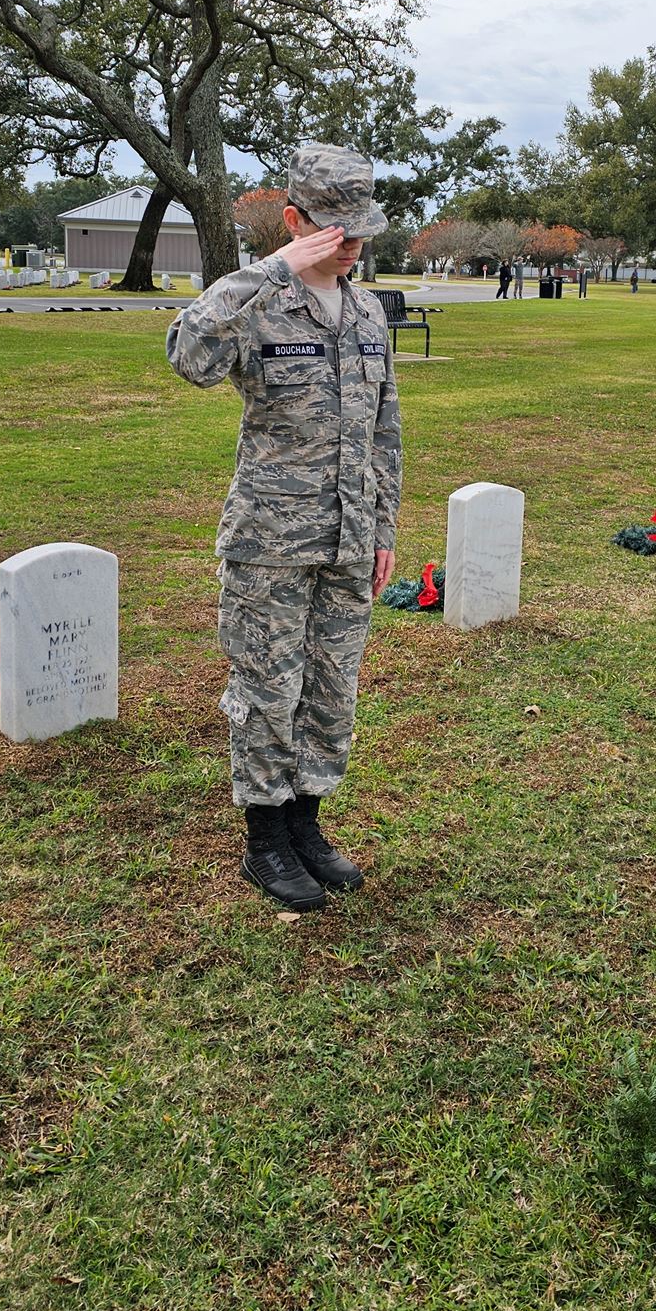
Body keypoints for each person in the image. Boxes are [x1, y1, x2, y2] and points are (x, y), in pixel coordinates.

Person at [166, 146, 400, 913]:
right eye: (337, 228)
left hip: (347, 535)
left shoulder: (367, 312)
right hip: (270, 539)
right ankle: (264, 839)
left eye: (363, 228)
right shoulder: (260, 299)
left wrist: (384, 524)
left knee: (331, 689)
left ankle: (307, 824)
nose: (354, 242)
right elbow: (187, 356)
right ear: (296, 222)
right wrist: (272, 268)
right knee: (270, 688)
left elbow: (384, 429)